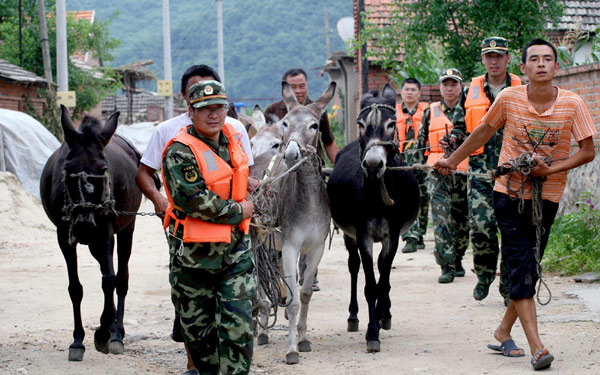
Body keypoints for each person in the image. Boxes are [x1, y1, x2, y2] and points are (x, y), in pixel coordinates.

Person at [434, 38, 595, 371]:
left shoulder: (572, 103)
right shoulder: (508, 98)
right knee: (520, 265)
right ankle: (538, 347)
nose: (540, 64)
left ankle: (503, 329)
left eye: (547, 59)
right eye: (533, 59)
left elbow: (587, 151)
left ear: (556, 67)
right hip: (508, 192)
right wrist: (451, 160)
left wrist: (551, 168)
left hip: (547, 197)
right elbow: (482, 133)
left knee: (531, 268)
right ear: (523, 67)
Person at [135, 64, 253, 375]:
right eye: (205, 109)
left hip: (234, 255)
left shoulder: (234, 139)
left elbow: (240, 178)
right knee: (201, 341)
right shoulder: (178, 150)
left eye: (219, 108)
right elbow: (195, 200)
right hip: (193, 261)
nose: (214, 115)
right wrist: (239, 211)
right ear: (191, 110)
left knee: (238, 331)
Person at [265, 68, 339, 291]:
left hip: (313, 172)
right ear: (286, 89)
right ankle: (281, 275)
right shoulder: (275, 110)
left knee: (316, 216)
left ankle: (309, 273)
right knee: (281, 217)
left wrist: (338, 166)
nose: (298, 90)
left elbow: (328, 141)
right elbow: (265, 139)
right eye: (293, 86)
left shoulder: (317, 111)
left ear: (307, 86)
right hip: (284, 169)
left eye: (302, 86)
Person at [465, 37, 523, 304]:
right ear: (483, 59)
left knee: (510, 229)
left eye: (499, 55)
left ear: (507, 58)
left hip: (513, 172)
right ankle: (484, 275)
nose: (494, 60)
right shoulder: (472, 89)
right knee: (482, 225)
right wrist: (454, 139)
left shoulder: (522, 89)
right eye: (489, 55)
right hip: (480, 171)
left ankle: (508, 286)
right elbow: (460, 125)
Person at [413, 69, 469, 283]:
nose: (449, 88)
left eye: (453, 84)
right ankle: (446, 265)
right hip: (437, 175)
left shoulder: (469, 112)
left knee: (462, 220)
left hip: (463, 173)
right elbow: (420, 145)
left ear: (460, 86)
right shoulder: (430, 112)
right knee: (441, 220)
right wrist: (417, 171)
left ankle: (459, 258)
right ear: (440, 87)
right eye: (445, 84)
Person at [396, 78, 430, 253]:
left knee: (423, 198)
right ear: (401, 92)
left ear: (419, 93)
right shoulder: (394, 113)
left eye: (413, 90)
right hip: (401, 162)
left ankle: (421, 233)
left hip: (422, 161)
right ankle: (410, 236)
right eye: (406, 89)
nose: (409, 92)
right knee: (404, 199)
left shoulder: (427, 111)